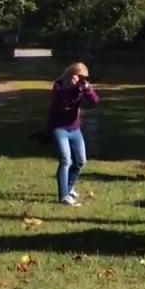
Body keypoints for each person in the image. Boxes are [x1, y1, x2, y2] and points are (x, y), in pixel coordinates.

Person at [47, 62, 100, 207]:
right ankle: (63, 196)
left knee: (81, 161)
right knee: (65, 160)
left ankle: (69, 188)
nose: (79, 80)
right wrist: (74, 89)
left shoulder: (81, 88)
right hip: (59, 128)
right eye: (77, 76)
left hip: (74, 128)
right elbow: (61, 101)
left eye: (83, 78)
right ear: (71, 74)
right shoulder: (59, 86)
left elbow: (95, 101)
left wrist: (87, 89)